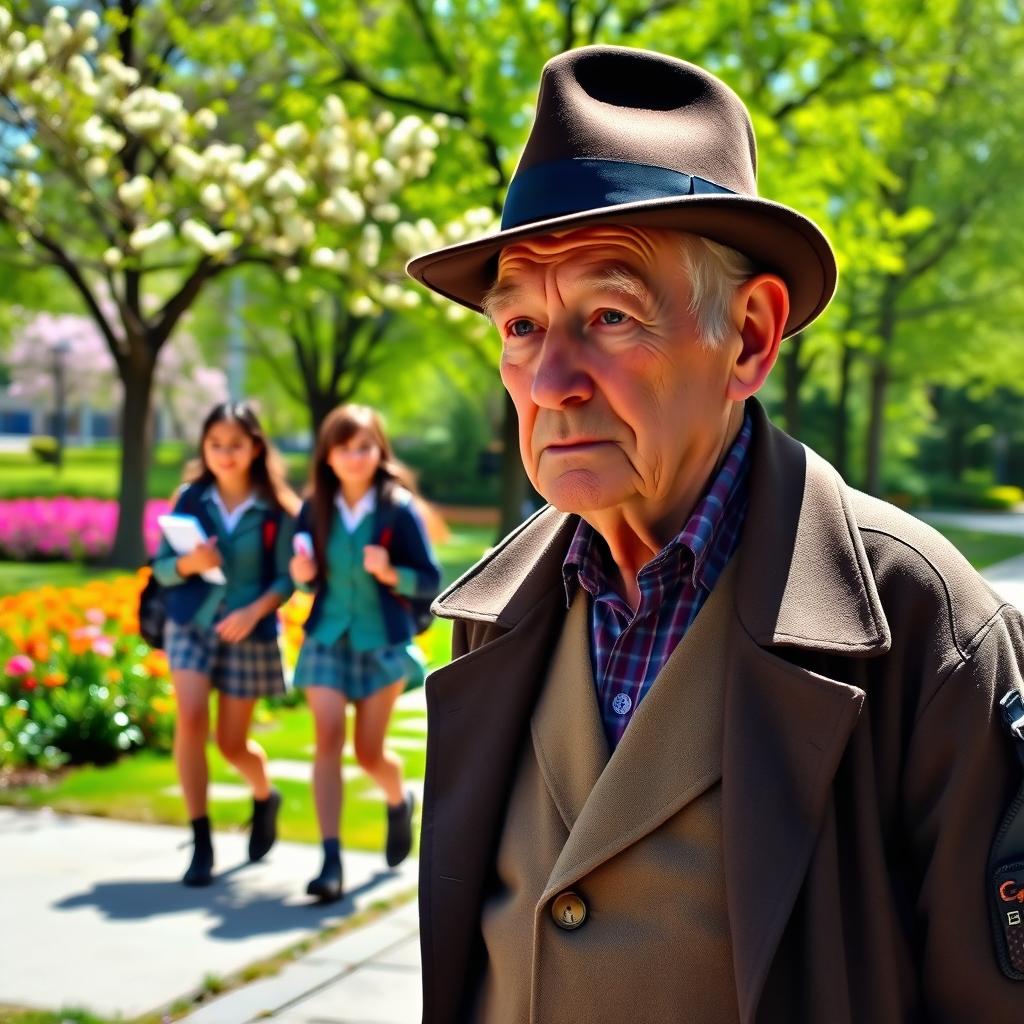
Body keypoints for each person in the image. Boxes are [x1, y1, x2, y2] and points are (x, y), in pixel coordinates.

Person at [405, 45, 1024, 1023]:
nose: (549, 382)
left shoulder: (928, 631)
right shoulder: (494, 611)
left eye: (608, 315)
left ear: (748, 337)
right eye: (520, 325)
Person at [289, 404, 441, 902]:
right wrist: (302, 575)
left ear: (379, 452)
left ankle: (399, 801)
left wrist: (391, 572)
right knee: (327, 738)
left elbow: (432, 582)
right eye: (344, 448)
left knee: (369, 752)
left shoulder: (398, 510)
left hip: (381, 643)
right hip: (327, 639)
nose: (354, 457)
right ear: (327, 456)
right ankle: (330, 861)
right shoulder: (313, 510)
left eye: (364, 447)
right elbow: (300, 571)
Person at [152, 401, 299, 887]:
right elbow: (161, 569)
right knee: (191, 718)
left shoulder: (277, 507)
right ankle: (201, 840)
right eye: (215, 445)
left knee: (232, 743)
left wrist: (253, 611)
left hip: (249, 632)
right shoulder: (191, 499)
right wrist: (190, 564)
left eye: (235, 444)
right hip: (190, 624)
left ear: (255, 447)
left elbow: (285, 580)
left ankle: (264, 796)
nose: (224, 454)